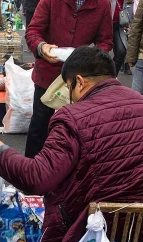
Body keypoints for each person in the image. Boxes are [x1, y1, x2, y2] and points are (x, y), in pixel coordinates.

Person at [0, 46, 143, 242]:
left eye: (69, 87)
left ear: (79, 82)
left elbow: (38, 178)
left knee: (62, 192)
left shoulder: (72, 117)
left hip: (94, 234)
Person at [24, 0, 113, 158]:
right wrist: (42, 47)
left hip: (81, 80)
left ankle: (67, 178)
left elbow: (105, 41)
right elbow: (33, 31)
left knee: (76, 131)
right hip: (47, 76)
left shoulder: (102, 4)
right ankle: (29, 175)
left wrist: (90, 58)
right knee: (40, 127)